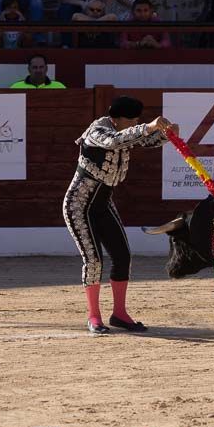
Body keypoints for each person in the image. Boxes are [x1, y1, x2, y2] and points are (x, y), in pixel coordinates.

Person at [63, 95, 175, 334]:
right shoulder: (98, 130)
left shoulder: (122, 130)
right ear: (116, 119)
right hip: (79, 206)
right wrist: (147, 127)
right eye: (131, 119)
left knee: (122, 256)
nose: (134, 123)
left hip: (103, 204)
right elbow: (114, 142)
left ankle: (120, 314)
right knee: (93, 261)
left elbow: (145, 141)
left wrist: (167, 134)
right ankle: (94, 317)